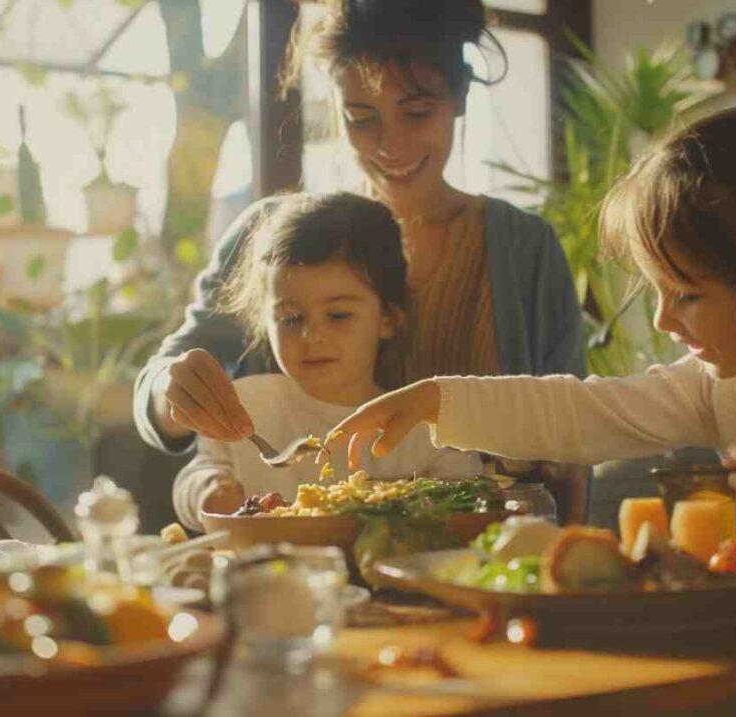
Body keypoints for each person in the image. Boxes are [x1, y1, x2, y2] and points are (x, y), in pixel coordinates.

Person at [325, 104, 736, 568]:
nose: (663, 322)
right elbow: (584, 411)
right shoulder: (719, 387)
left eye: (689, 294)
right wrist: (433, 397)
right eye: (657, 291)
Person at [134, 0, 589, 519]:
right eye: (361, 118)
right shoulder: (274, 237)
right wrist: (172, 391)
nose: (390, 145)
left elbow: (570, 430)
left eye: (416, 113)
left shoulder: (525, 249)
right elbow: (161, 384)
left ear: (459, 97)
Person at [171, 193, 483, 531]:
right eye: (290, 318)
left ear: (388, 320)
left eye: (338, 315)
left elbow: (469, 495)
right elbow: (197, 471)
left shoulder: (420, 426)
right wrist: (208, 489)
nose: (311, 336)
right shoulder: (242, 406)